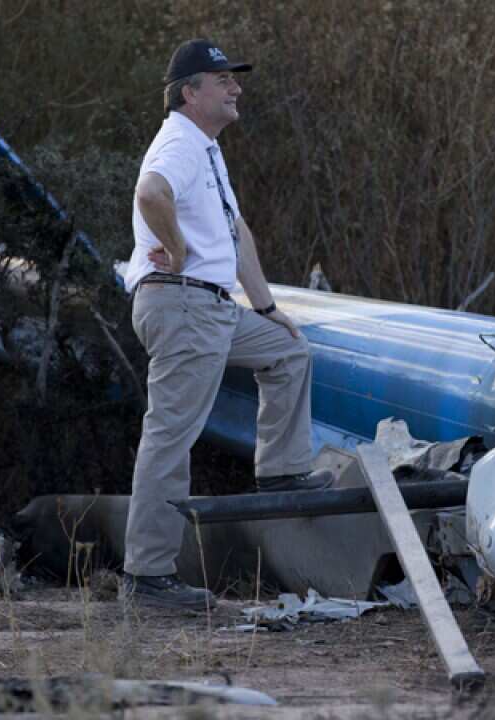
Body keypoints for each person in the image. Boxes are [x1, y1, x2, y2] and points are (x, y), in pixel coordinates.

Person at [121, 39, 333, 609]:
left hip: (212, 309)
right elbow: (150, 191)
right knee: (171, 437)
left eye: (234, 79)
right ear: (190, 93)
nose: (236, 87)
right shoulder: (179, 143)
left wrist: (266, 309)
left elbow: (238, 234)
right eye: (223, 80)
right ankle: (147, 577)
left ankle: (282, 473)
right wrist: (176, 247)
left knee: (289, 352)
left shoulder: (208, 149)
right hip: (182, 304)